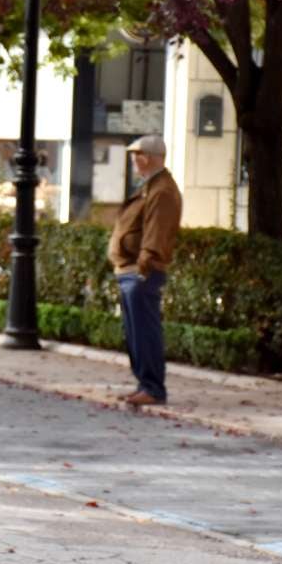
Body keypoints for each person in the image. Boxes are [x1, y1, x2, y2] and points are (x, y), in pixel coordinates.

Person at [108, 134, 182, 407]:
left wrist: (143, 266)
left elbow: (156, 233)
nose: (133, 162)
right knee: (136, 332)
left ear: (147, 158)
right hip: (131, 271)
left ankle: (152, 387)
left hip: (141, 273)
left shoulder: (161, 190)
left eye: (136, 156)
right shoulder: (152, 186)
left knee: (144, 332)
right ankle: (145, 384)